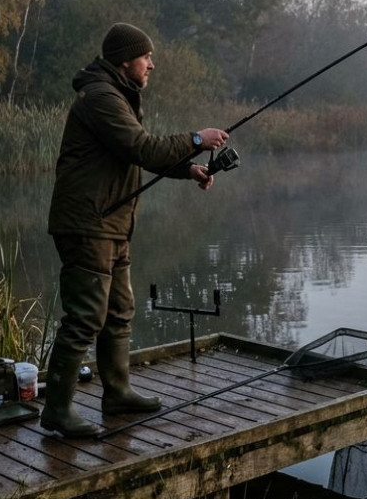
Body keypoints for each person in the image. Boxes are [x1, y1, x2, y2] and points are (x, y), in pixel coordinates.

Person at [42, 22, 228, 438]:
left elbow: (135, 153)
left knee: (119, 311)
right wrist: (197, 138)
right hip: (88, 223)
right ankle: (56, 411)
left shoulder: (116, 93)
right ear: (126, 60)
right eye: (147, 58)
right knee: (85, 317)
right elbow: (141, 147)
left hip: (111, 220)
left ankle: (117, 393)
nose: (152, 65)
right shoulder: (101, 97)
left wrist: (188, 169)